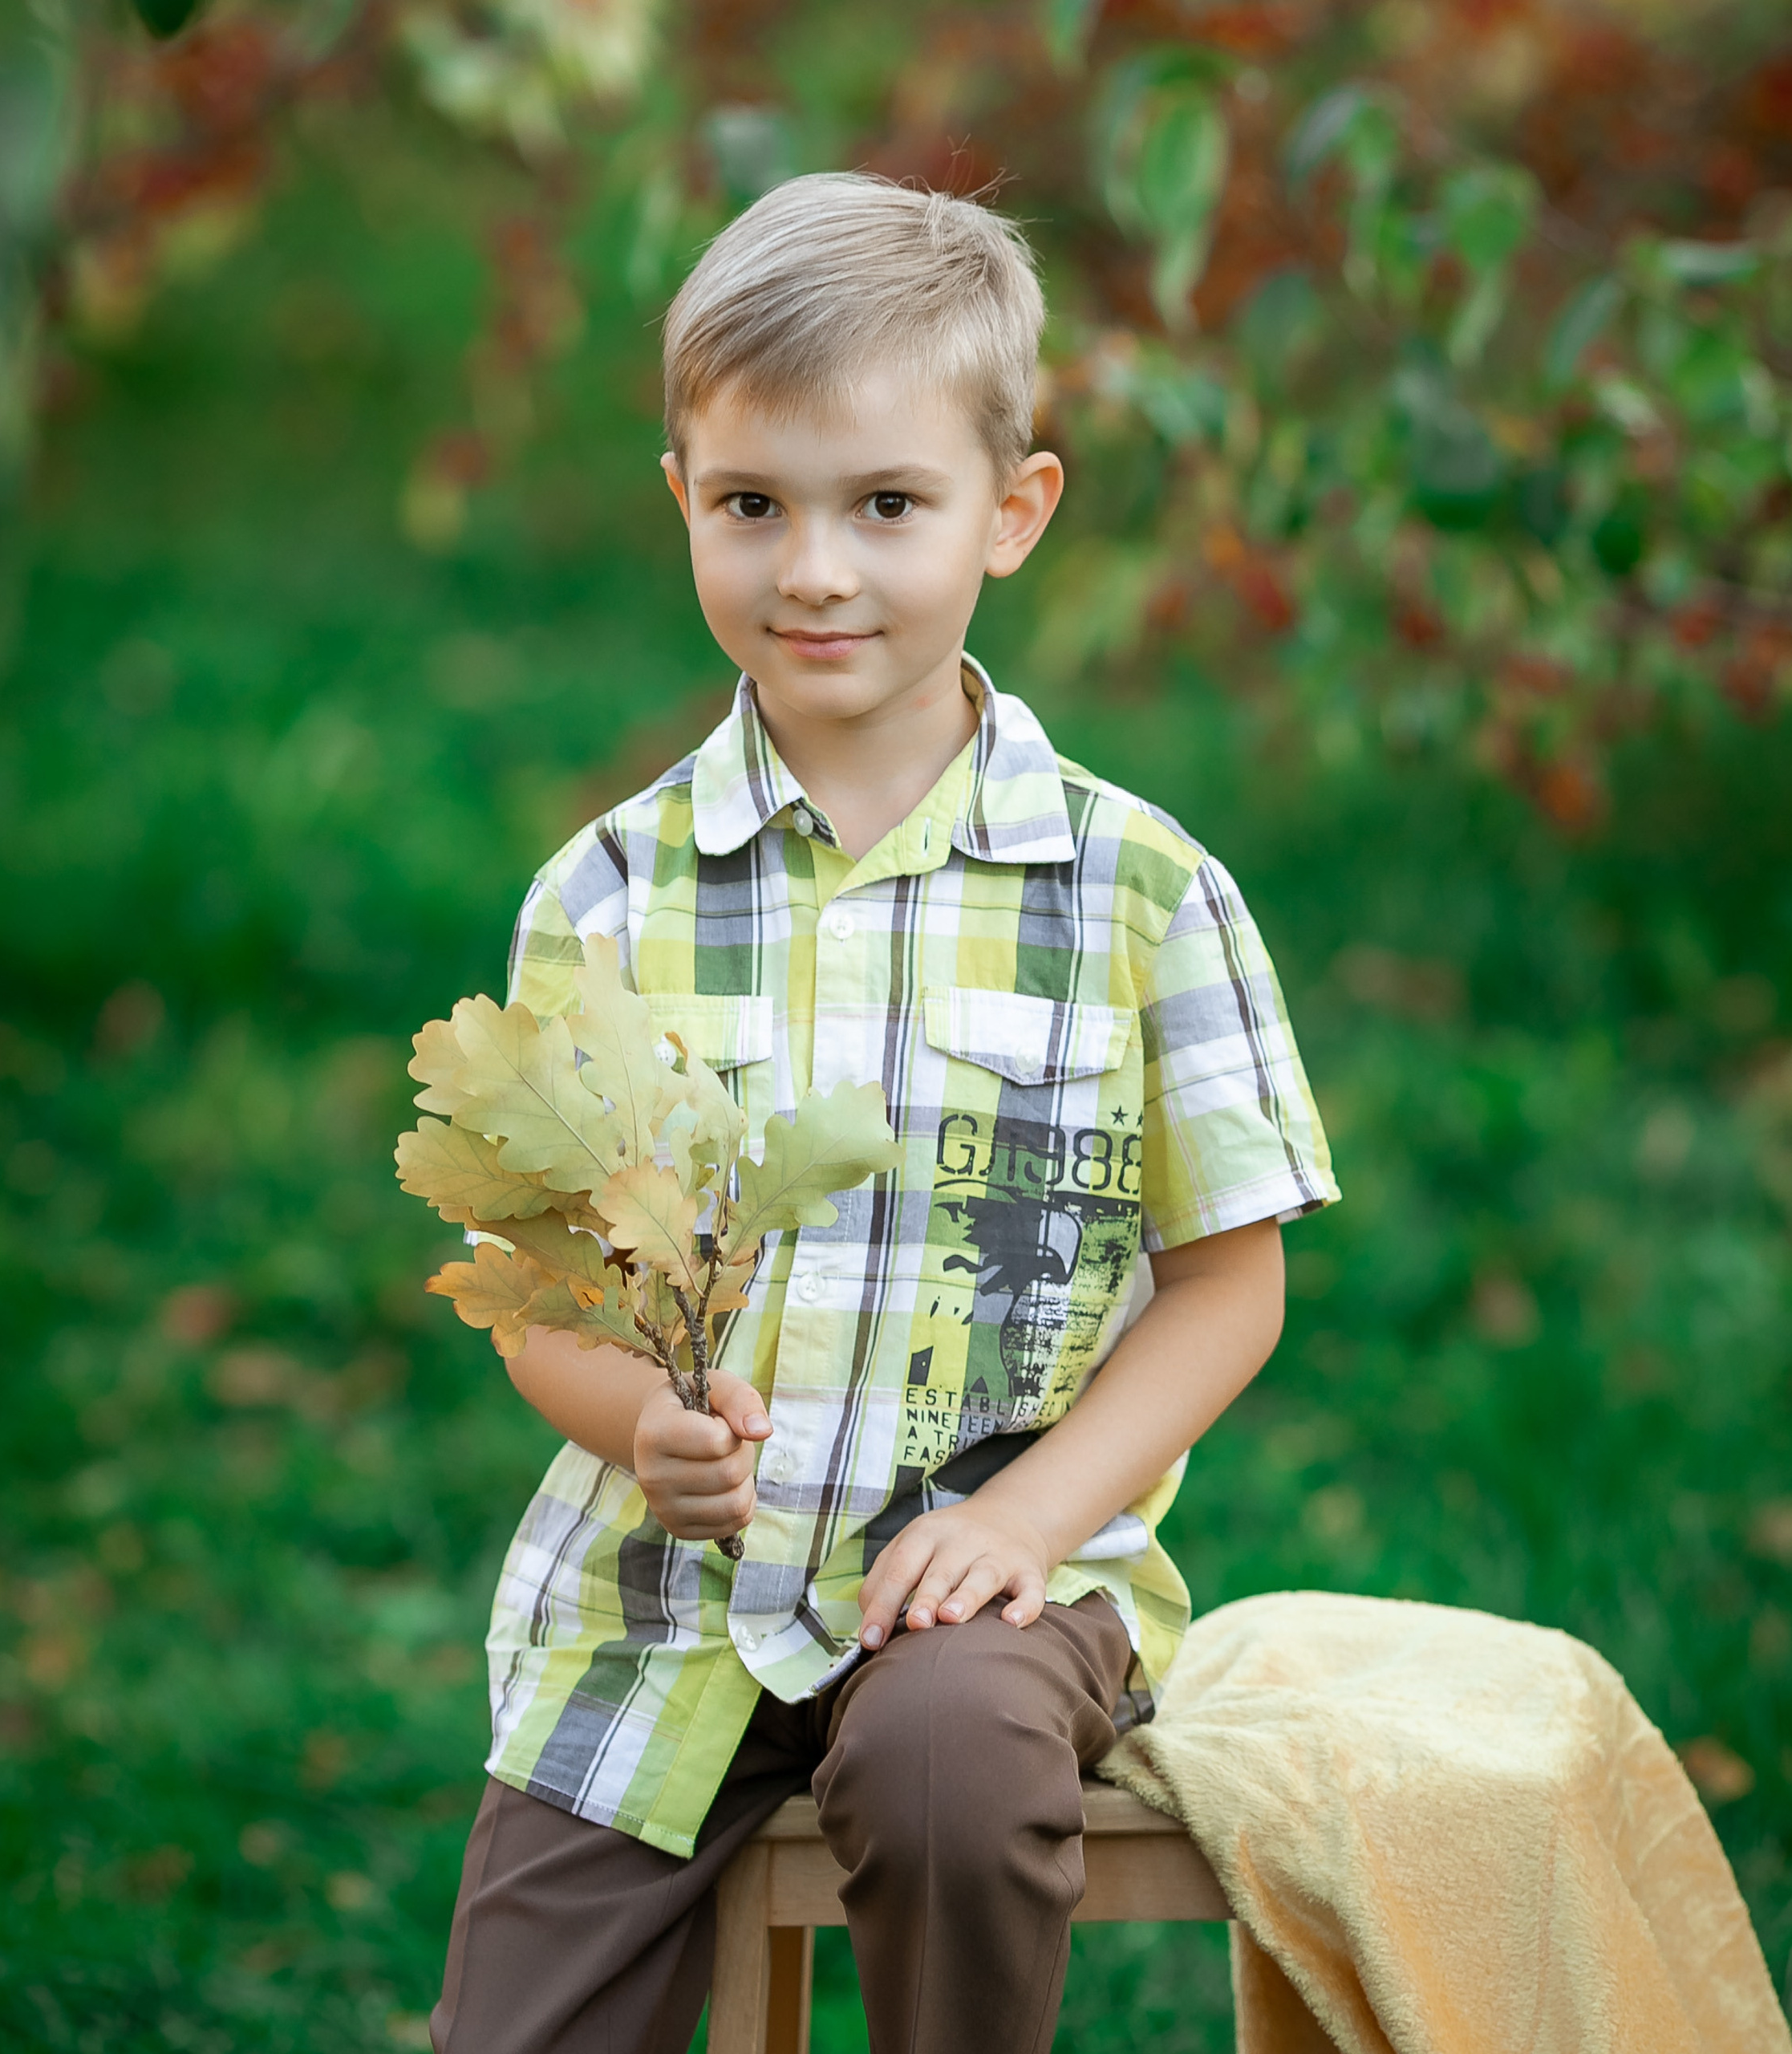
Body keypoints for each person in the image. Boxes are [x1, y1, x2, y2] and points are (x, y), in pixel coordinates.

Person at [431, 172, 1339, 2054]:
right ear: (680, 492)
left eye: (887, 507)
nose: (815, 570)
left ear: (1012, 513)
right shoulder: (601, 901)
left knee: (944, 1762)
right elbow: (539, 1298)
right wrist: (646, 1417)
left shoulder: (1138, 894)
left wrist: (1034, 1513)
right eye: (754, 504)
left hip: (979, 1586)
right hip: (657, 1603)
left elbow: (1224, 1287)